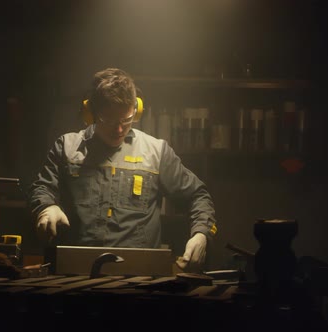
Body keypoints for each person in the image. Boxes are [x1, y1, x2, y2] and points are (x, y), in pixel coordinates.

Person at [28, 67, 217, 272]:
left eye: (126, 120)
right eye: (108, 120)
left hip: (139, 282)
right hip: (73, 274)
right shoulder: (66, 148)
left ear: (137, 110)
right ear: (90, 113)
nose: (118, 129)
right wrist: (46, 207)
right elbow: (42, 188)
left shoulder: (156, 153)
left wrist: (201, 234)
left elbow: (198, 195)